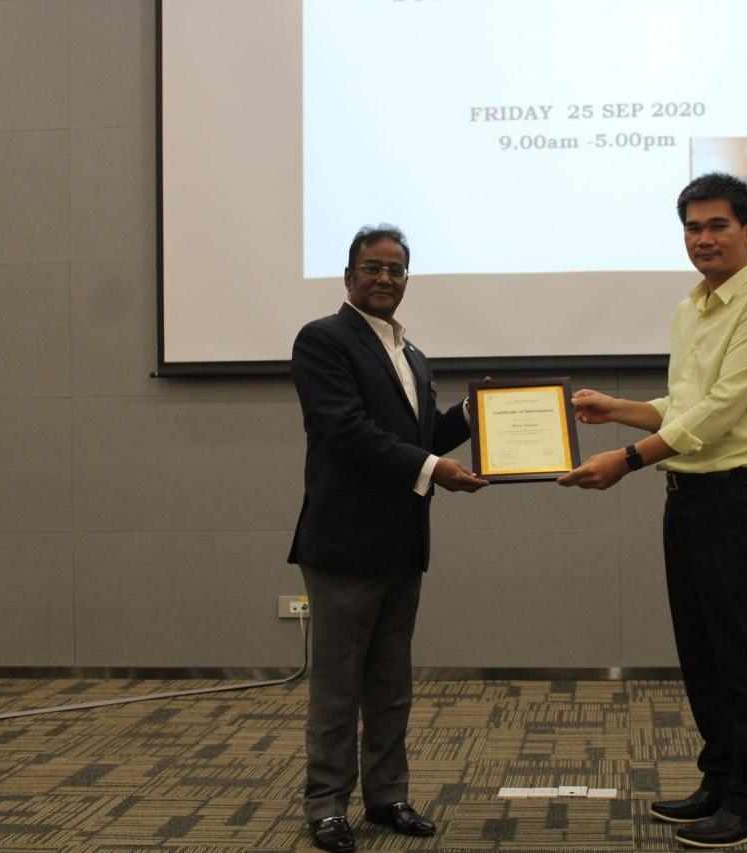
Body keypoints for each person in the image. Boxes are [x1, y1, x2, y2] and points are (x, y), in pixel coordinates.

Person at [558, 173, 747, 848]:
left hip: (735, 498)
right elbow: (684, 404)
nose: (704, 238)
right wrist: (619, 410)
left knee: (739, 655)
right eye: (693, 227)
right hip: (688, 498)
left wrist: (628, 459)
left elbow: (718, 415)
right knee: (701, 653)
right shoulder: (692, 306)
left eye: (718, 225)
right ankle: (719, 781)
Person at [288, 224, 488, 852]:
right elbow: (346, 429)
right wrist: (433, 470)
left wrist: (475, 414)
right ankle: (326, 805)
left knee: (390, 684)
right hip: (344, 544)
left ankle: (387, 797)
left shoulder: (413, 354)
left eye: (395, 269)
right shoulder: (322, 339)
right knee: (337, 685)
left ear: (407, 280)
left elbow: (420, 437)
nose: (384, 278)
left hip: (403, 541)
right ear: (349, 276)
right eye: (372, 268)